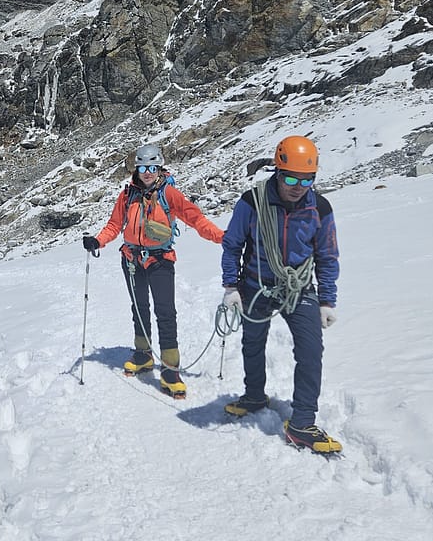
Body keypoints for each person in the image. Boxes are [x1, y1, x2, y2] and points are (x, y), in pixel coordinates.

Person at [220, 135, 342, 453]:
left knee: (310, 350)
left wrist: (327, 301)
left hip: (298, 288)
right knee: (253, 342)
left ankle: (302, 423)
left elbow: (327, 255)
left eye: (307, 179)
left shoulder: (320, 207)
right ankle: (254, 395)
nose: (297, 186)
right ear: (277, 171)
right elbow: (233, 245)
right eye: (290, 177)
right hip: (256, 284)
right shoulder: (252, 202)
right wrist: (231, 286)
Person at [83, 144, 224, 399]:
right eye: (142, 168)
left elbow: (196, 219)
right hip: (131, 259)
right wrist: (98, 241)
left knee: (165, 313)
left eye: (152, 168)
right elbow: (115, 225)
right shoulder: (127, 196)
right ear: (136, 169)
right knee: (139, 308)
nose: (147, 173)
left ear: (159, 168)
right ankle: (143, 355)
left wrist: (223, 237)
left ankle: (171, 370)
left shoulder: (169, 194)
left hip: (160, 260)